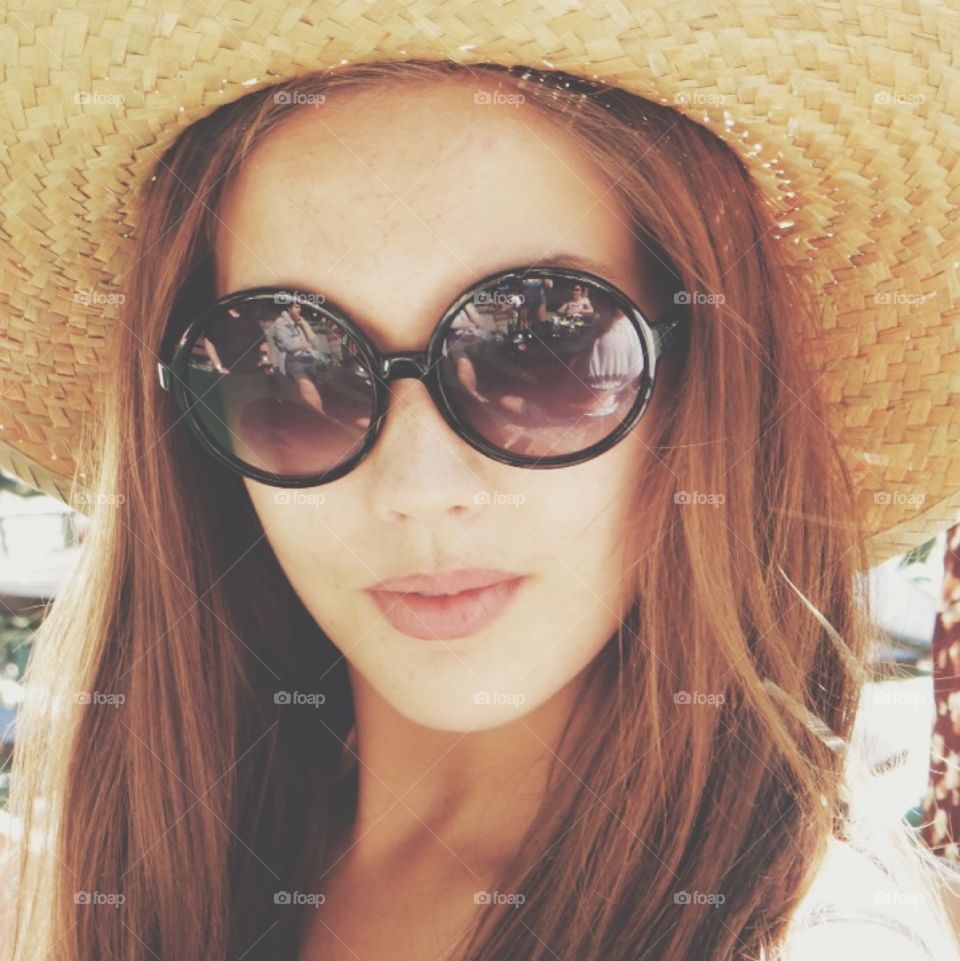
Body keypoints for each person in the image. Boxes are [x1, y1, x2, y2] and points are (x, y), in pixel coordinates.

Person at [1, 5, 959, 961]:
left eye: (540, 348)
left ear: (702, 382)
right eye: (286, 368)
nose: (419, 488)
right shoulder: (117, 882)